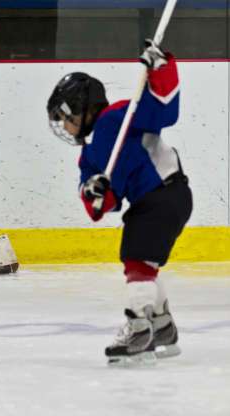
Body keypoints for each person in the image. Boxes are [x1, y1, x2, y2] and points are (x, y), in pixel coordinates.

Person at [46, 40, 192, 365]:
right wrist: (94, 191)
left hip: (166, 192)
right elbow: (102, 207)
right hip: (150, 202)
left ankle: (139, 327)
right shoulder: (89, 156)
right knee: (142, 262)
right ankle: (162, 327)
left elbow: (165, 111)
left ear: (83, 108)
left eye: (66, 117)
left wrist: (161, 69)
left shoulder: (118, 117)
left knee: (136, 259)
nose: (65, 126)